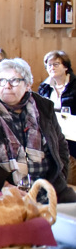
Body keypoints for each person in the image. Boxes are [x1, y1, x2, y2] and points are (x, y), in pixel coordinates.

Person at [0, 59, 76, 203]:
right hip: (3, 191)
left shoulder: (44, 106)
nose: (7, 86)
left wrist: (57, 178)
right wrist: (5, 186)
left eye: (14, 81)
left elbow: (60, 146)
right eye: (1, 80)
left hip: (49, 188)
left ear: (27, 85)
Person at [38, 50, 76, 179]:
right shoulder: (44, 87)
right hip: (52, 133)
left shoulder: (74, 86)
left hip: (73, 135)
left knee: (71, 170)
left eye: (56, 64)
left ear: (65, 66)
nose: (52, 68)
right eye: (49, 65)